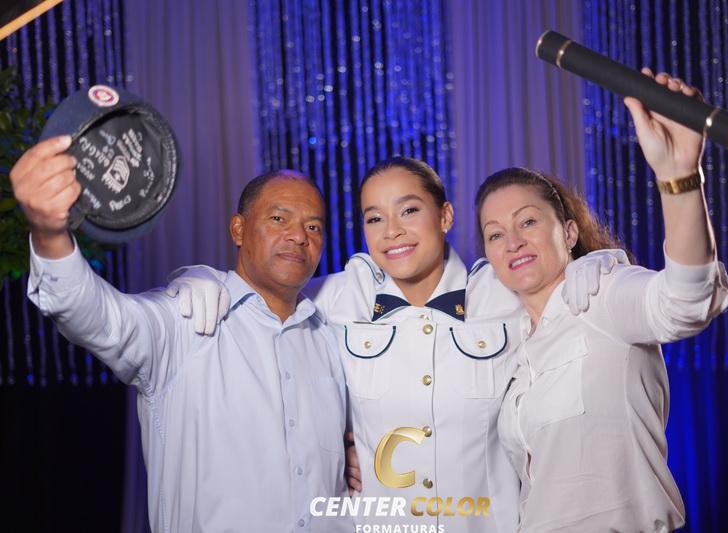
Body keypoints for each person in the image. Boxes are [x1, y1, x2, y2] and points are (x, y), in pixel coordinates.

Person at [170, 157, 627, 531]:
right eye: (375, 218)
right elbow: (269, 292)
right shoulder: (340, 298)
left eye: (408, 210)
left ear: (444, 216)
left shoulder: (501, 294)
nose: (392, 230)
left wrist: (593, 264)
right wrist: (203, 279)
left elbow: (555, 294)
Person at [10, 144, 351, 533]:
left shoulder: (329, 338)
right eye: (279, 218)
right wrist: (50, 233)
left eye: (313, 227)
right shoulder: (185, 319)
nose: (299, 236)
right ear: (238, 229)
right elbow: (98, 317)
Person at [476, 70, 728, 532]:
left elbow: (685, 301)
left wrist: (679, 177)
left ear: (569, 232)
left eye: (528, 221)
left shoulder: (602, 293)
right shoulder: (511, 348)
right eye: (495, 235)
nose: (512, 242)